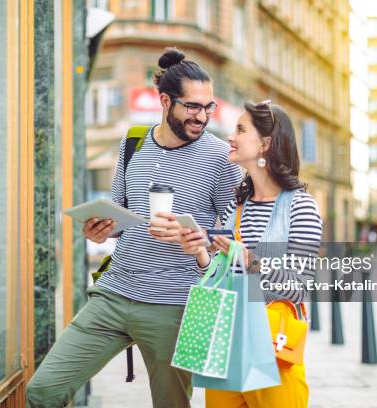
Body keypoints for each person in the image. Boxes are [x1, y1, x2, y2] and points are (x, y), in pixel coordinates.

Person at [25, 48, 242, 408]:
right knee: (42, 391)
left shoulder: (220, 158)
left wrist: (197, 239)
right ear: (164, 101)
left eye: (208, 107)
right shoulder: (133, 141)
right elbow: (121, 214)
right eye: (192, 107)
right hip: (113, 294)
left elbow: (237, 235)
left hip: (174, 306)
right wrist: (102, 229)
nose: (201, 117)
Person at [180, 100, 323, 408]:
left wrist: (253, 263)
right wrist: (201, 255)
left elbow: (299, 287)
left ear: (265, 144)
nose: (231, 137)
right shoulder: (236, 206)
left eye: (241, 130)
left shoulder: (301, 207)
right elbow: (220, 274)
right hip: (226, 344)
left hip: (272, 351)